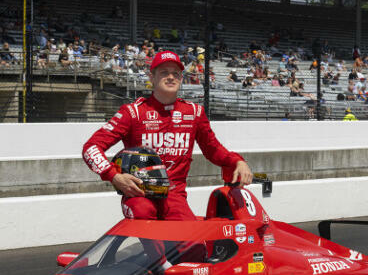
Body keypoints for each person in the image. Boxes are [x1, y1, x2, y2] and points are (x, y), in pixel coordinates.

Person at [82, 50, 253, 221]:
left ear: (181, 78)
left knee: (193, 245)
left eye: (175, 73)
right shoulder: (132, 112)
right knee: (142, 211)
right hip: (139, 195)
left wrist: (238, 161)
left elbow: (214, 150)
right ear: (152, 77)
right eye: (164, 72)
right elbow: (91, 148)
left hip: (174, 197)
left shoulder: (194, 113)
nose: (170, 77)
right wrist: (115, 177)